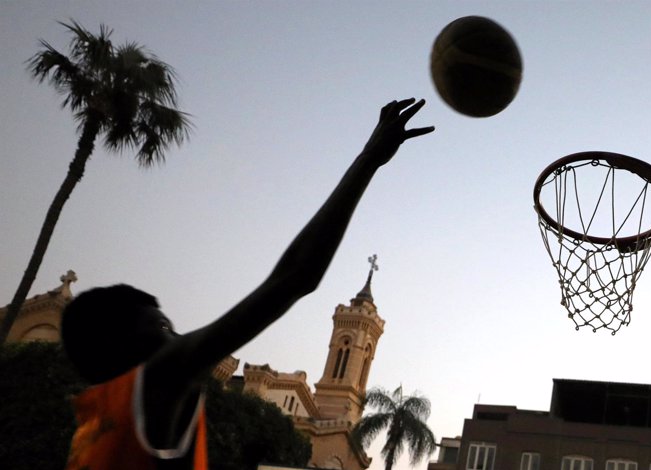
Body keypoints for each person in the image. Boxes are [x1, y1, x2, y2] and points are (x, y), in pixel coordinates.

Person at [60, 98, 434, 470]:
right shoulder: (154, 383)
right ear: (116, 344)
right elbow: (295, 277)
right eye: (160, 327)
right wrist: (369, 160)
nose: (177, 338)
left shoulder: (93, 427)